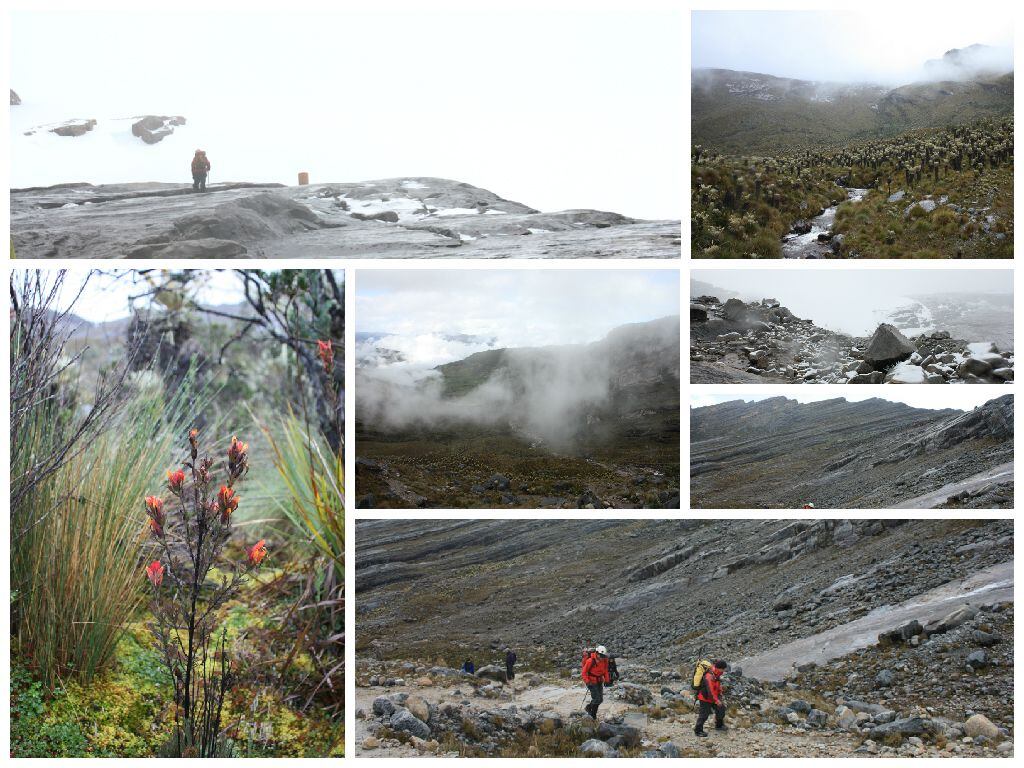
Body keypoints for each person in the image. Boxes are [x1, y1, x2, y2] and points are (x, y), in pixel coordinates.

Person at [694, 660, 729, 737]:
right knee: (704, 715)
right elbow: (710, 691)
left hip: (714, 697)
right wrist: (717, 701)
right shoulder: (709, 676)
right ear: (720, 668)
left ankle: (719, 725)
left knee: (721, 709)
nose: (724, 670)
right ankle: (698, 730)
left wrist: (720, 692)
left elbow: (717, 685)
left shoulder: (717, 674)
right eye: (723, 669)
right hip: (705, 698)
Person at [582, 645, 611, 720]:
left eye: (603, 656)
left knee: (600, 699)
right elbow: (584, 672)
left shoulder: (604, 660)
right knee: (597, 698)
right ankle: (593, 715)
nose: (602, 657)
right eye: (601, 655)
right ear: (597, 653)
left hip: (599, 681)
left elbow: (605, 671)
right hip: (591, 682)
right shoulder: (590, 661)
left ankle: (589, 707)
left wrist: (607, 680)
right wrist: (587, 682)